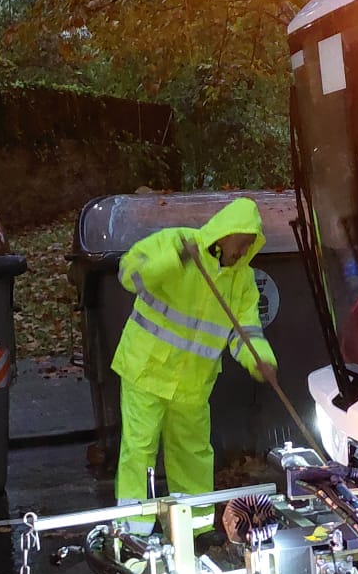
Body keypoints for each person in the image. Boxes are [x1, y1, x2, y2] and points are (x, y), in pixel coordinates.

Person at [111, 197, 278, 524]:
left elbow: (245, 332)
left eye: (249, 245)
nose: (243, 251)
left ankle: (195, 529)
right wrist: (175, 259)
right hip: (145, 369)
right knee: (140, 453)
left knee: (193, 457)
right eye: (241, 242)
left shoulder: (241, 282)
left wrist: (260, 360)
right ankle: (133, 532)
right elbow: (130, 274)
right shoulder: (176, 242)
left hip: (193, 384)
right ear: (226, 233)